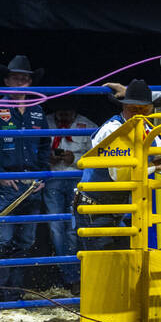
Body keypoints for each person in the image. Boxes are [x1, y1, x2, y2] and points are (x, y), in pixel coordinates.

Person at [0, 55, 51, 302]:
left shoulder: (38, 112)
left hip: (31, 185)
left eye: (25, 79)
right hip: (8, 184)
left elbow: (45, 145)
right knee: (2, 240)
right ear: (6, 81)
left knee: (25, 240)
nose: (21, 83)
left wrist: (42, 175)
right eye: (17, 78)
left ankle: (14, 294)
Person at [82, 79, 161, 250]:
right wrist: (154, 166)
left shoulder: (148, 132)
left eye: (144, 110)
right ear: (124, 108)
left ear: (151, 110)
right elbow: (119, 176)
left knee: (123, 263)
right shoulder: (112, 130)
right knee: (103, 265)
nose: (139, 115)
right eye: (134, 109)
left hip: (120, 209)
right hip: (95, 210)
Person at [45, 103, 95, 292]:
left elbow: (96, 156)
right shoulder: (45, 122)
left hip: (77, 179)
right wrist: (47, 158)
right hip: (52, 178)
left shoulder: (88, 125)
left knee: (74, 229)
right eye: (61, 108)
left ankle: (75, 278)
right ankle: (71, 276)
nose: (64, 112)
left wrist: (73, 159)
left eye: (68, 108)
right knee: (56, 228)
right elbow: (34, 148)